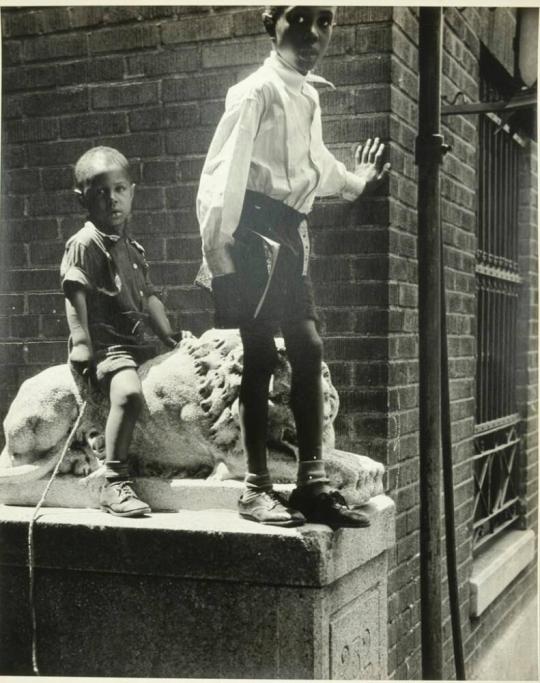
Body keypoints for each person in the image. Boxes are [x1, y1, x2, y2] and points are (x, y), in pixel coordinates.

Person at [196, 6, 390, 528]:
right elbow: (221, 177)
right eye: (298, 19)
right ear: (270, 24)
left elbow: (315, 164)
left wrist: (356, 181)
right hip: (251, 232)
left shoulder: (307, 94)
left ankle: (312, 484)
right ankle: (255, 488)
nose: (312, 34)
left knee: (308, 347)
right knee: (258, 356)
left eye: (324, 21)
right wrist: (221, 257)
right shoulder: (254, 92)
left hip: (289, 234)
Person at [61, 146, 181, 517]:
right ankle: (114, 481)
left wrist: (170, 337)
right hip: (111, 346)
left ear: (131, 192)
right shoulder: (84, 243)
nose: (111, 199)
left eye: (119, 189)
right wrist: (82, 343)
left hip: (141, 342)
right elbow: (73, 291)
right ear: (82, 198)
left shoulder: (134, 248)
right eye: (99, 192)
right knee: (128, 394)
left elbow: (150, 298)